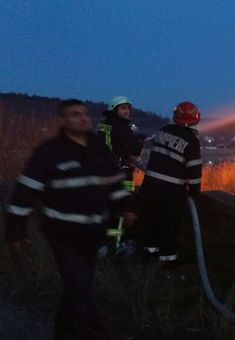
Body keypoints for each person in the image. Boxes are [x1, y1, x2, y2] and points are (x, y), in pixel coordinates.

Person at [3, 99, 137, 338]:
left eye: (85, 113)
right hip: (62, 233)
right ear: (63, 120)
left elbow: (113, 181)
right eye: (74, 114)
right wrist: (15, 230)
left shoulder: (98, 148)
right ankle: (95, 333)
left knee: (76, 286)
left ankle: (63, 332)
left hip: (92, 231)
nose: (82, 118)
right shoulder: (50, 152)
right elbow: (25, 190)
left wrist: (125, 206)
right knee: (81, 286)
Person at [138, 101, 202, 269]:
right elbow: (194, 169)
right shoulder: (191, 140)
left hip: (149, 186)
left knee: (150, 222)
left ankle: (148, 258)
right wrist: (195, 190)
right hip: (170, 192)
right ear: (196, 118)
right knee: (169, 226)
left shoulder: (162, 131)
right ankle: (168, 263)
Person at [97, 96, 144, 255]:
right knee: (124, 207)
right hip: (121, 173)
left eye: (127, 108)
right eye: (122, 108)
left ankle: (102, 244)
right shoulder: (121, 126)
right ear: (115, 109)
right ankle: (117, 245)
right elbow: (135, 150)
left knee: (107, 208)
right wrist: (140, 140)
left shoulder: (104, 125)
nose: (126, 111)